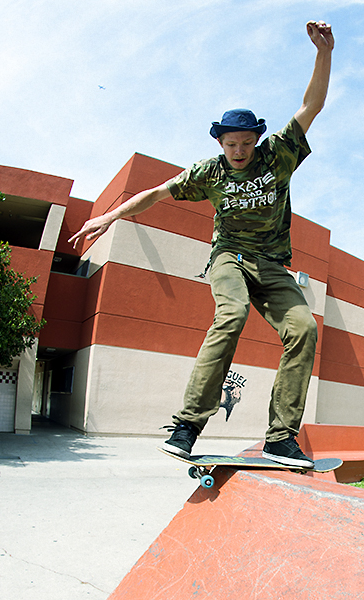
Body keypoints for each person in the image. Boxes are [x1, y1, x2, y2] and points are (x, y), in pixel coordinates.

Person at [69, 21, 334, 469]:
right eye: (231, 144)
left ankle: (280, 437)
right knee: (231, 315)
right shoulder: (208, 172)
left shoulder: (278, 155)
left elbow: (312, 105)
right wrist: (109, 217)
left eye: (246, 144)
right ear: (219, 141)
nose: (239, 152)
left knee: (304, 330)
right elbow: (155, 193)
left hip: (272, 265)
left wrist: (323, 53)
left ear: (257, 140)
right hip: (228, 257)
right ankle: (188, 426)